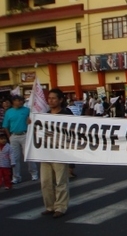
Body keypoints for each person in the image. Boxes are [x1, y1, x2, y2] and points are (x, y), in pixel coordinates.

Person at [40, 89, 72, 218]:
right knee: (46, 182)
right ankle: (50, 206)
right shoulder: (44, 116)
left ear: (60, 100)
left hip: (60, 153)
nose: (51, 101)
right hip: (45, 153)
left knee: (61, 181)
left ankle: (60, 207)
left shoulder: (66, 114)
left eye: (54, 98)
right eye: (49, 98)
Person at [3, 95, 38, 184]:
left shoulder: (27, 110)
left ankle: (34, 174)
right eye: (18, 100)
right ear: (13, 102)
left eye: (21, 100)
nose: (20, 102)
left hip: (25, 134)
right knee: (15, 158)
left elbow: (33, 121)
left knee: (29, 156)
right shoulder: (8, 112)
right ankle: (16, 177)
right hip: (14, 136)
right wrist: (9, 136)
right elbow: (5, 126)